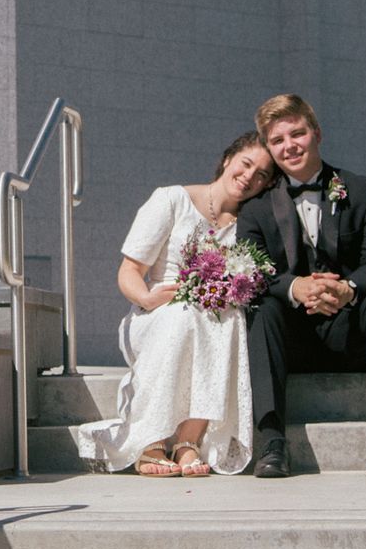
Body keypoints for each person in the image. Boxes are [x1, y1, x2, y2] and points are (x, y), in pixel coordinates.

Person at [74, 133, 276, 477]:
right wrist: (147, 297)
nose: (249, 177)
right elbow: (130, 271)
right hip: (156, 310)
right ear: (228, 159)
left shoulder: (249, 223)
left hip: (212, 315)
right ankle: (150, 441)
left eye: (261, 175)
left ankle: (188, 441)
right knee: (184, 316)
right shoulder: (171, 200)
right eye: (246, 164)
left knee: (227, 318)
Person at [238, 95, 366, 478]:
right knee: (261, 309)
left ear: (316, 134)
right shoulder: (255, 207)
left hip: (352, 333)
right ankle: (271, 442)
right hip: (293, 338)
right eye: (278, 140)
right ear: (269, 147)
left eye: (297, 133)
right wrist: (295, 287)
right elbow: (250, 273)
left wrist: (347, 288)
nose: (290, 146)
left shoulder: (364, 191)